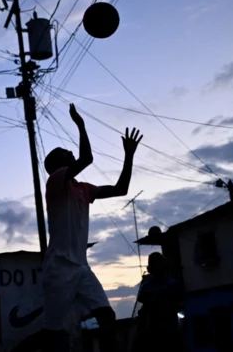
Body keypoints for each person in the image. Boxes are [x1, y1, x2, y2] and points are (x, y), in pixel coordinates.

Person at [41, 103, 142, 352]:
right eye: (65, 152)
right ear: (57, 164)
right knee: (54, 333)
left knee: (107, 316)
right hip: (58, 268)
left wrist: (129, 155)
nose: (70, 152)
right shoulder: (55, 181)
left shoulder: (83, 189)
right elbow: (87, 158)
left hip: (81, 267)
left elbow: (121, 189)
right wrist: (81, 125)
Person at [132, 252, 184, 352]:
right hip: (156, 331)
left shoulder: (170, 285)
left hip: (168, 329)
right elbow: (143, 309)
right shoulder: (148, 287)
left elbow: (179, 304)